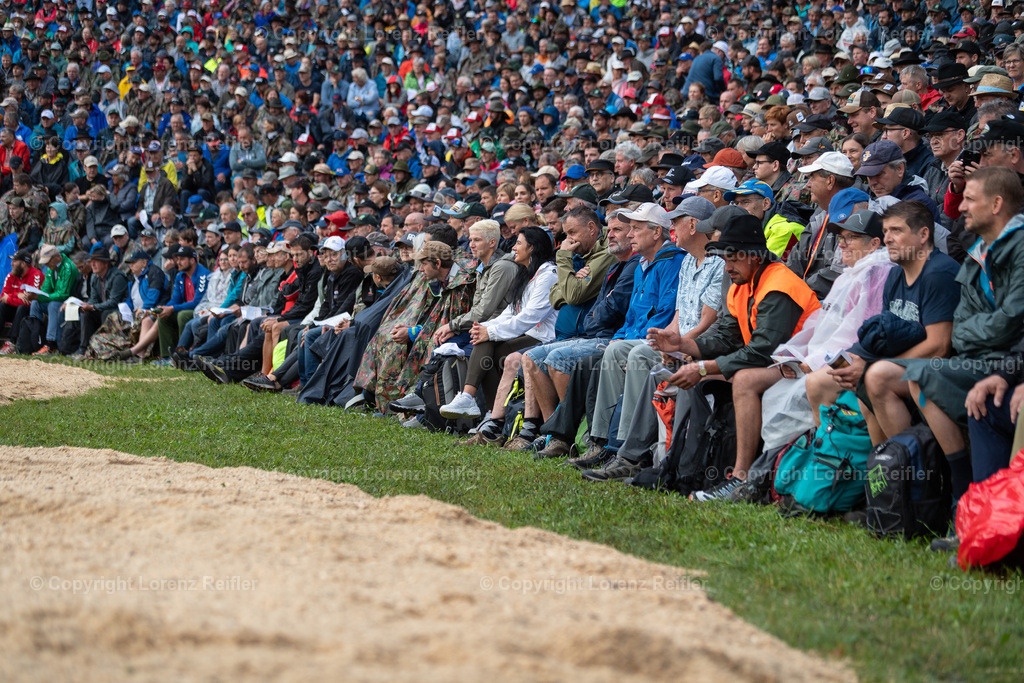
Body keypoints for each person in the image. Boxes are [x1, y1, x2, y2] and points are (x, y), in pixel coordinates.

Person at [651, 213, 821, 499]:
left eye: (733, 258)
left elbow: (760, 351)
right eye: (724, 258)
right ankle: (688, 466)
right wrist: (681, 346)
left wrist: (704, 368)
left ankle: (741, 479)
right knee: (694, 375)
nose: (726, 266)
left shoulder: (779, 285)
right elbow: (728, 336)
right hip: (779, 365)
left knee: (740, 379)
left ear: (754, 257)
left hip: (806, 365)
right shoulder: (742, 282)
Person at [439, 226, 558, 420]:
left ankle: (481, 406)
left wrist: (490, 332)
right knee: (485, 343)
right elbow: (510, 311)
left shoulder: (548, 275)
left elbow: (529, 317)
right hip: (528, 334)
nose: (513, 248)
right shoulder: (528, 273)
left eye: (519, 243)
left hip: (544, 338)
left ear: (532, 248)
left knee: (487, 342)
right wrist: (486, 328)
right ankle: (488, 411)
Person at [69, 242, 129, 359]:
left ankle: (106, 349)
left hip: (120, 312)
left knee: (107, 313)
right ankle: (84, 348)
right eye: (91, 261)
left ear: (106, 263)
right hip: (103, 309)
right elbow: (94, 298)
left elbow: (114, 302)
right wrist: (86, 305)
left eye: (96, 261)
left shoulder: (117, 277)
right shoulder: (95, 277)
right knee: (86, 314)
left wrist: (93, 307)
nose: (93, 264)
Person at [26, 244, 79, 355]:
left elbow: (63, 295)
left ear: (57, 257)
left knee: (53, 304)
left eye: (48, 261)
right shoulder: (51, 267)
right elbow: (45, 290)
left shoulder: (69, 267)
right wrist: (35, 294)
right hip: (57, 302)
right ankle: (35, 340)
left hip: (70, 303)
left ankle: (51, 344)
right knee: (35, 303)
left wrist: (40, 296)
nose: (46, 264)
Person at [0, 248, 44, 353]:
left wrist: (10, 298)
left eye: (14, 261)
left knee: (22, 308)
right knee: (1, 306)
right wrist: (17, 294)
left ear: (23, 264)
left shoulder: (36, 276)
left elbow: (30, 302)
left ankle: (12, 342)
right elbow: (2, 297)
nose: (11, 264)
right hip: (14, 309)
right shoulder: (11, 275)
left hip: (28, 313)